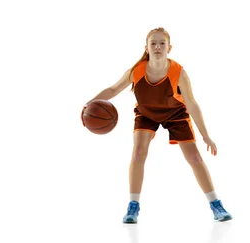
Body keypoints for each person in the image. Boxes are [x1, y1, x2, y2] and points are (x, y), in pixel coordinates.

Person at [82, 27, 232, 223]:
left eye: (162, 43)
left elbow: (192, 104)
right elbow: (113, 89)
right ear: (147, 47)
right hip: (146, 113)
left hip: (175, 113)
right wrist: (88, 105)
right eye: (153, 43)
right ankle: (133, 206)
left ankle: (216, 205)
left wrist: (206, 136)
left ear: (170, 48)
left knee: (194, 157)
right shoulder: (136, 71)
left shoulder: (179, 72)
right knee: (138, 153)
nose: (158, 46)